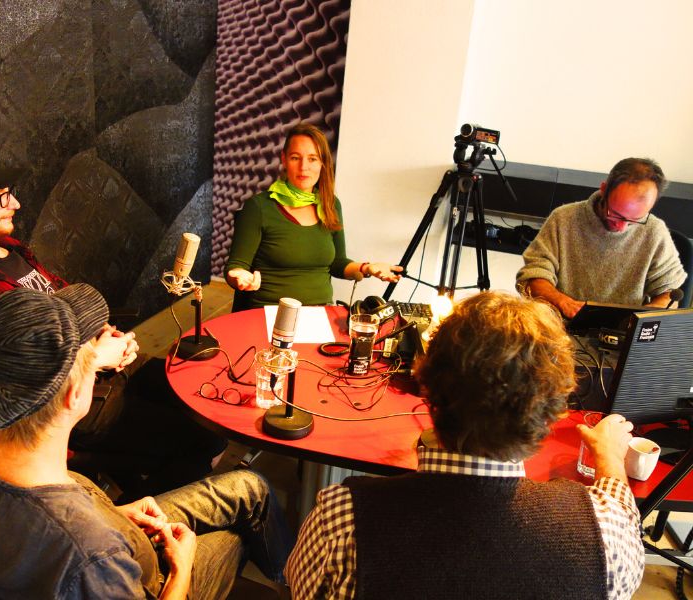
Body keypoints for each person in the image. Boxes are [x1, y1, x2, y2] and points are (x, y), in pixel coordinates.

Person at [0, 285, 291, 599]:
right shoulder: (91, 554)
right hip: (146, 575)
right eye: (91, 361)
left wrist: (114, 515)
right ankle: (292, 584)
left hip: (107, 533)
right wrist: (181, 569)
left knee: (250, 486)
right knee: (237, 534)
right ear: (73, 395)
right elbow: (79, 549)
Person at [286, 291, 643, 600]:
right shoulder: (606, 534)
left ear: (426, 386)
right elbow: (621, 514)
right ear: (551, 413)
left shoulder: (343, 518)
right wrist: (609, 457)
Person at [0, 144, 226, 494]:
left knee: (204, 395)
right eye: (0, 198)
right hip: (71, 406)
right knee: (201, 440)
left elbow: (69, 304)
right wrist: (94, 358)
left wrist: (109, 335)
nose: (15, 204)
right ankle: (132, 519)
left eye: (11, 193)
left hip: (105, 371)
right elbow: (13, 385)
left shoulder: (15, 251)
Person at [225, 123, 402, 311]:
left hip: (319, 312)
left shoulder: (331, 204)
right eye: (295, 158)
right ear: (284, 159)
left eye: (312, 159)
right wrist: (239, 276)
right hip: (270, 312)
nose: (304, 167)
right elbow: (236, 266)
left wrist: (367, 268)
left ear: (322, 162)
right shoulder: (259, 207)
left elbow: (338, 263)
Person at [516, 157, 686, 318]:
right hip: (560, 322)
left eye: (635, 220)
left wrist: (641, 320)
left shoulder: (655, 231)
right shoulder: (563, 219)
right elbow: (533, 276)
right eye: (616, 215)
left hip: (623, 331)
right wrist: (562, 301)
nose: (621, 227)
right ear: (604, 189)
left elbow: (669, 294)